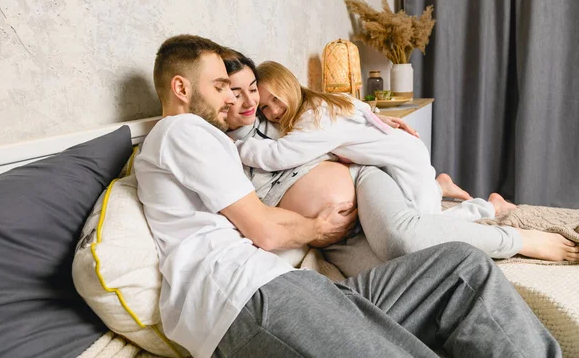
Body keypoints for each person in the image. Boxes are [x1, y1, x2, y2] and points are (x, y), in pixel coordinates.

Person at [134, 34, 562, 358]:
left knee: (463, 268)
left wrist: (372, 119)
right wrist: (317, 227)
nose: (231, 97)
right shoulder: (182, 130)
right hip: (248, 300)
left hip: (287, 288)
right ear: (181, 88)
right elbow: (263, 229)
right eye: (220, 86)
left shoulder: (206, 138)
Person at [232, 59, 579, 266]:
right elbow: (355, 106)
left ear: (287, 86)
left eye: (260, 95)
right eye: (243, 97)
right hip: (362, 190)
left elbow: (282, 154)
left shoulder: (307, 118)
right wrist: (375, 117)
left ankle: (511, 233)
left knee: (412, 231)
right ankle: (468, 199)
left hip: (371, 171)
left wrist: (380, 121)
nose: (263, 107)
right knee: (412, 254)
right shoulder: (270, 121)